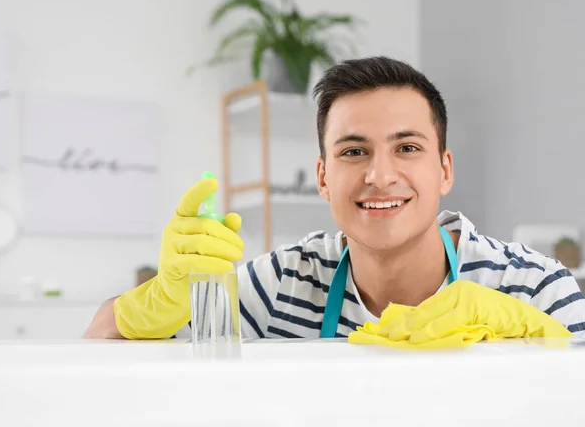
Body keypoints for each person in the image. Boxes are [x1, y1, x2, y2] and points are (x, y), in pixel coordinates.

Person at [84, 56, 585, 340]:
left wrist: (542, 350)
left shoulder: (532, 287)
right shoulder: (284, 284)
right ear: (323, 177)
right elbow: (93, 350)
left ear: (444, 169)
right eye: (353, 151)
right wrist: (155, 303)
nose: (380, 175)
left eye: (407, 148)